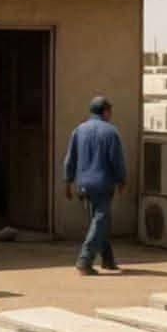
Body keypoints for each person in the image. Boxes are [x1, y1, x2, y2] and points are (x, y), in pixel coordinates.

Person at [63, 95, 127, 276]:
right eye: (110, 110)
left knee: (98, 222)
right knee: (100, 221)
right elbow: (117, 160)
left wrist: (67, 182)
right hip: (102, 184)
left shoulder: (79, 130)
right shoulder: (111, 132)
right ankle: (85, 260)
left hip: (83, 184)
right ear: (105, 111)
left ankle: (108, 260)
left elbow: (70, 159)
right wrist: (121, 180)